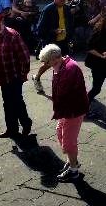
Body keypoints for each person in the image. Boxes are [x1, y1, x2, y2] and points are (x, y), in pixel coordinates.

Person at [33, 44, 88, 180]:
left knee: (69, 141)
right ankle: (71, 160)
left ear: (53, 59)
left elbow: (60, 96)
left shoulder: (68, 70)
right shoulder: (60, 64)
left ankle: (74, 171)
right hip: (66, 108)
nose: (46, 65)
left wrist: (44, 95)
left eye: (47, 62)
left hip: (73, 110)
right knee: (60, 132)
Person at [0, 13, 33, 139]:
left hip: (15, 76)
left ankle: (25, 123)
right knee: (7, 103)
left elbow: (25, 56)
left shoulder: (13, 35)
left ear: (2, 22)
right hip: (1, 77)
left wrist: (23, 74)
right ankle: (12, 129)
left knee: (16, 101)